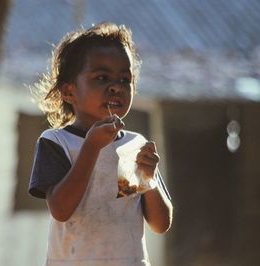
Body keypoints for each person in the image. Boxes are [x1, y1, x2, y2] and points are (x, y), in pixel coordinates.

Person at [28, 21, 173, 266]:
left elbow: (160, 224)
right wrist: (91, 148)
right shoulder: (57, 142)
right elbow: (61, 210)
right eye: (102, 77)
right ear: (69, 92)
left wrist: (148, 178)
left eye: (125, 79)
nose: (116, 87)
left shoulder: (133, 146)